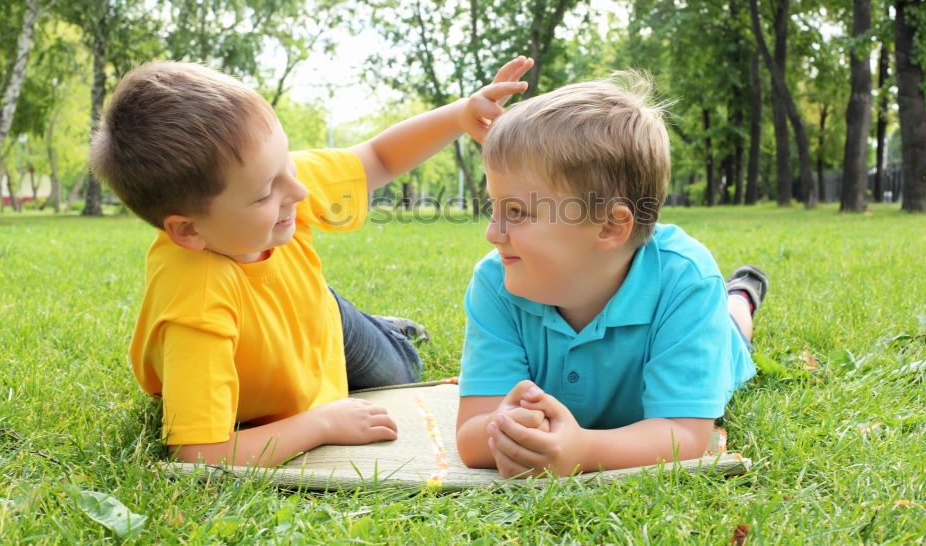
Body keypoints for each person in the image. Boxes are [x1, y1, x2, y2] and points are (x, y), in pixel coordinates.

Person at [89, 57, 532, 467]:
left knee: (400, 368)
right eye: (265, 193)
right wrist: (320, 424)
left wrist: (457, 115)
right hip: (268, 338)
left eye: (288, 164)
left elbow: (376, 158)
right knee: (386, 382)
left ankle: (383, 326)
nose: (297, 193)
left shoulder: (277, 178)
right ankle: (379, 327)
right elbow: (199, 453)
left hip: (315, 313)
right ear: (188, 230)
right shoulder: (196, 305)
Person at [455, 72, 769, 478]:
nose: (492, 232)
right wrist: (510, 430)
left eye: (516, 212)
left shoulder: (686, 282)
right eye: (495, 207)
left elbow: (685, 435)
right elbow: (471, 432)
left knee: (733, 330)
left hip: (714, 333)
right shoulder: (496, 284)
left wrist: (583, 450)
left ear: (609, 227)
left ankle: (741, 295)